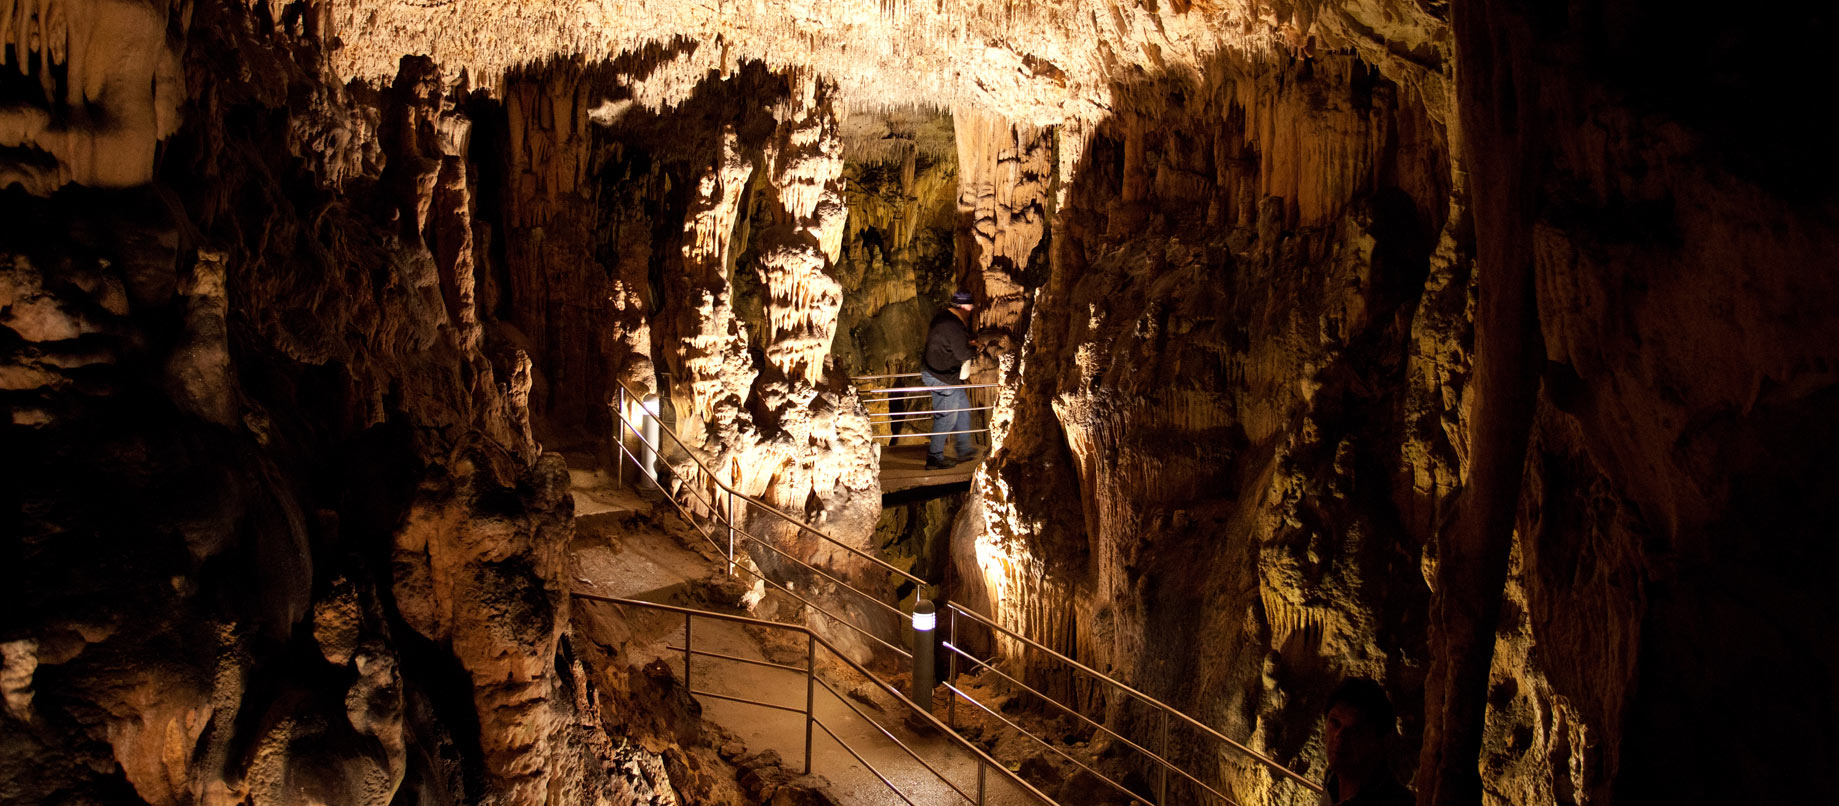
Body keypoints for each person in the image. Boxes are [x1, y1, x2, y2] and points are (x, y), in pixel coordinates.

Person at [1320, 678, 1413, 806]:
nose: (1339, 736)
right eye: (1335, 723)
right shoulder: (1333, 779)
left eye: (1356, 730)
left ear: (1383, 741)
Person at [920, 290, 979, 469]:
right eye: (970, 308)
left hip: (938, 372)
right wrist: (973, 349)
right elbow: (962, 353)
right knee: (946, 418)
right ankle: (934, 458)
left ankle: (963, 448)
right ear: (963, 307)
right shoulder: (954, 325)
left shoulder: (943, 317)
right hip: (942, 378)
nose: (971, 312)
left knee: (963, 408)